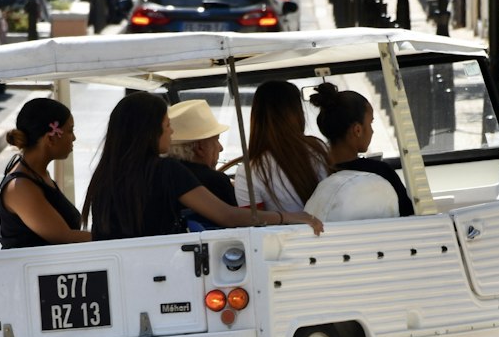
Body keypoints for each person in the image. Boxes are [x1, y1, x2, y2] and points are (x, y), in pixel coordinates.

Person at [82, 91, 323, 240]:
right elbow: (227, 216)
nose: (172, 132)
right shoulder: (167, 171)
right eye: (167, 126)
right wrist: (287, 216)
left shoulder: (104, 175)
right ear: (150, 132)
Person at [310, 80, 414, 216]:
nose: (372, 131)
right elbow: (409, 214)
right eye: (370, 123)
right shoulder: (380, 172)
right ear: (357, 130)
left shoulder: (314, 174)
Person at [0, 97, 92, 249]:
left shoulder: (37, 173)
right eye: (70, 131)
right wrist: (112, 237)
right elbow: (64, 237)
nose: (74, 138)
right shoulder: (20, 187)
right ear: (51, 138)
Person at [234, 79, 329, 215]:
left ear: (257, 117)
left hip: (284, 236)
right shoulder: (317, 148)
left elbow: (256, 224)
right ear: (297, 113)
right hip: (329, 233)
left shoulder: (247, 173)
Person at [167, 98, 237, 227]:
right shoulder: (216, 181)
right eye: (216, 140)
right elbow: (237, 221)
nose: (220, 147)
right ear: (199, 148)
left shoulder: (159, 175)